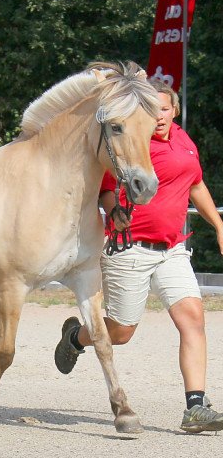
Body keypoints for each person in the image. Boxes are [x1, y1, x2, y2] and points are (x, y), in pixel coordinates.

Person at [54, 79, 223, 433]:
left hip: (173, 248)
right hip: (130, 247)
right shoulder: (134, 140)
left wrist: (219, 225)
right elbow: (104, 187)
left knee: (193, 319)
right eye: (150, 109)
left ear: (174, 110)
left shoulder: (183, 140)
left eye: (163, 109)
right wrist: (113, 208)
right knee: (119, 332)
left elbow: (195, 184)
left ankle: (195, 408)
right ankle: (76, 337)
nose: (158, 117)